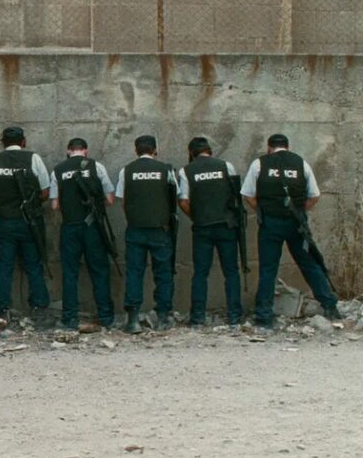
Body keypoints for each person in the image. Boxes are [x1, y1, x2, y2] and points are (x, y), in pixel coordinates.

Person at [240, 133, 340, 329]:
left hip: (270, 224)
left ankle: (264, 316)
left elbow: (248, 195)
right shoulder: (300, 163)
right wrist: (300, 213)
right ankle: (330, 306)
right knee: (309, 264)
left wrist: (263, 211)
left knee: (268, 269)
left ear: (269, 148)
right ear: (288, 146)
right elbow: (314, 196)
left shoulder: (259, 164)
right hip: (296, 225)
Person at [0, 127, 51, 330]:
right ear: (24, 141)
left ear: (2, 142)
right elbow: (45, 192)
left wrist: (6, 204)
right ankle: (39, 308)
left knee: (4, 267)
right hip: (30, 222)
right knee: (34, 265)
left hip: (6, 221)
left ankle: (2, 311)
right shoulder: (34, 159)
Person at [49, 138, 117, 332]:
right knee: (100, 271)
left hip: (70, 227)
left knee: (70, 273)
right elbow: (110, 199)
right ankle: (106, 317)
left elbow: (54, 205)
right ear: (85, 151)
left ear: (68, 151)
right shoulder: (97, 167)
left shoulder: (58, 170)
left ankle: (69, 318)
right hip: (93, 227)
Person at [177, 137, 244, 328]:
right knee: (231, 272)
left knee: (200, 273)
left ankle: (197, 318)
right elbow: (235, 196)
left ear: (191, 153)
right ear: (210, 151)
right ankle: (234, 317)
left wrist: (196, 216)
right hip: (226, 226)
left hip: (203, 227)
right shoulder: (226, 166)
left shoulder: (186, 170)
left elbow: (183, 200)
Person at [116, 135, 178, 334]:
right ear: (155, 150)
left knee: (134, 273)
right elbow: (174, 197)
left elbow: (123, 200)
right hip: (160, 229)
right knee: (163, 274)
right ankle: (162, 317)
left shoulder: (127, 171)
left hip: (135, 229)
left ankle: (133, 320)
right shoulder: (166, 170)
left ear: (136, 150)